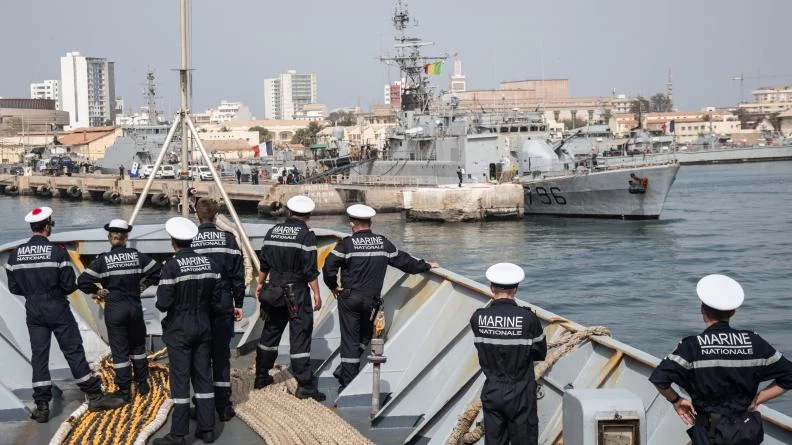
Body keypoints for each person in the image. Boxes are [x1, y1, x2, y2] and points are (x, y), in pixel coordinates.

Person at [5, 207, 124, 423]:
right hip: (57, 307)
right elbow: (69, 285)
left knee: (39, 356)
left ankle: (42, 406)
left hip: (34, 310)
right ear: (47, 225)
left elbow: (14, 288)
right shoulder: (57, 252)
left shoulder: (15, 255)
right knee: (72, 349)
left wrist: (34, 293)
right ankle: (94, 395)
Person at [649, 274, 792, 445]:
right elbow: (789, 376)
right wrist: (757, 399)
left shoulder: (692, 346)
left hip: (708, 435)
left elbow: (659, 378)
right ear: (733, 311)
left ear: (702, 308)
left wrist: (677, 401)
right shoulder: (755, 343)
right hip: (746, 433)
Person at [323, 204, 438, 389]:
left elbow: (328, 267)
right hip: (371, 301)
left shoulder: (346, 244)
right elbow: (405, 262)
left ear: (352, 223)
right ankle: (345, 371)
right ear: (370, 222)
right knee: (366, 336)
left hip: (350, 299)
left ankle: (347, 382)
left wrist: (333, 286)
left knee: (350, 340)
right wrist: (426, 265)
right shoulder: (383, 243)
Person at [154, 217, 225, 445]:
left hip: (179, 329)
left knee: (181, 381)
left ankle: (178, 434)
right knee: (204, 377)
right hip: (204, 326)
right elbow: (218, 301)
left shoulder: (171, 267)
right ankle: (207, 429)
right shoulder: (210, 265)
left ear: (173, 241)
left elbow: (163, 303)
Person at [76, 219, 161, 403]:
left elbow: (82, 281)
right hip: (134, 308)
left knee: (120, 351)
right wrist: (142, 285)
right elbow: (157, 271)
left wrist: (97, 291)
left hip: (115, 308)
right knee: (138, 347)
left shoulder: (103, 260)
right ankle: (142, 383)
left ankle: (124, 390)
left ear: (109, 237)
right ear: (126, 237)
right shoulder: (137, 256)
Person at [254, 195, 325, 401]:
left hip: (274, 289)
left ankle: (261, 375)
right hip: (297, 293)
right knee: (300, 335)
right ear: (308, 215)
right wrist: (317, 293)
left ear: (289, 212)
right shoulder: (306, 236)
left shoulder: (272, 232)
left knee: (270, 333)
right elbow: (309, 269)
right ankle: (304, 385)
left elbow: (264, 263)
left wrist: (260, 283)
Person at [469, 263, 546, 445]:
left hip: (492, 391)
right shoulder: (528, 318)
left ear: (491, 288)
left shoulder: (478, 317)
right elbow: (540, 352)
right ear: (516, 289)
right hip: (520, 392)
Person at [191, 199, 245, 421]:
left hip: (198, 306)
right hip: (223, 303)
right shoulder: (229, 240)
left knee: (201, 355)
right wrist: (239, 303)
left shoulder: (190, 240)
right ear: (216, 217)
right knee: (221, 355)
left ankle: (203, 404)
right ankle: (223, 406)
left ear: (197, 216)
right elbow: (237, 275)